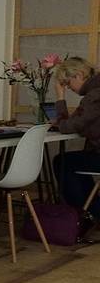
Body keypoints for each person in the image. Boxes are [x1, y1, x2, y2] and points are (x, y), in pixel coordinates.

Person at [51, 56, 100, 218]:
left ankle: (85, 213)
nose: (69, 88)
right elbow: (79, 123)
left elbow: (67, 127)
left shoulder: (94, 96)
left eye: (68, 83)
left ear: (78, 75)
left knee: (62, 162)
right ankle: (91, 209)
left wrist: (60, 97)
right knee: (76, 162)